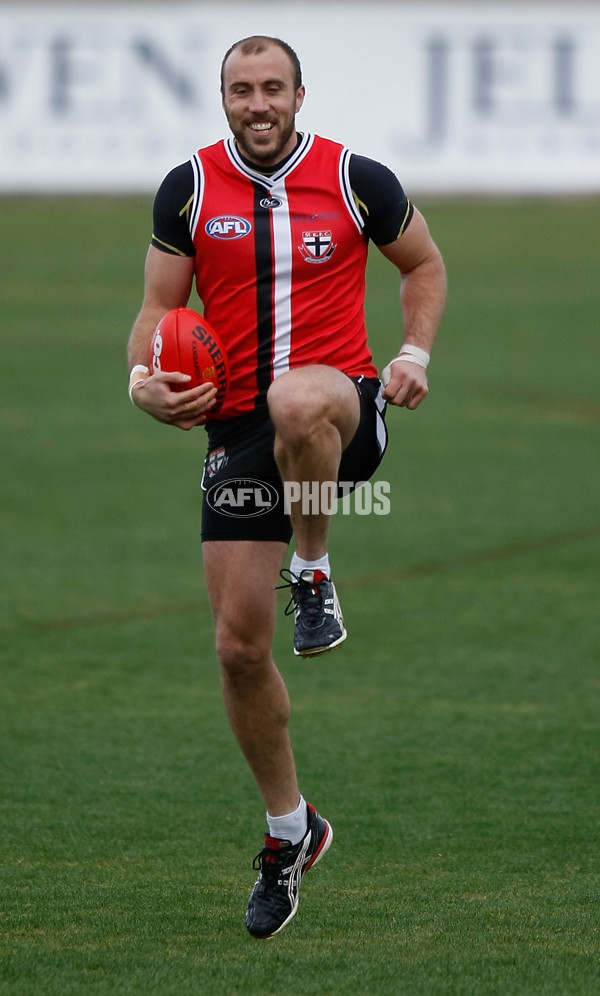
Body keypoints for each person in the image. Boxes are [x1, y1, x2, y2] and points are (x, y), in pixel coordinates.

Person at [127, 35, 446, 939]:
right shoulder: (188, 187)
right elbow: (157, 311)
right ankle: (290, 832)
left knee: (296, 393)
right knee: (235, 648)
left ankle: (315, 569)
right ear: (222, 98)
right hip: (236, 434)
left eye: (273, 88)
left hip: (340, 409)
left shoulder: (356, 178)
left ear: (300, 95)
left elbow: (423, 264)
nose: (257, 103)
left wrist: (413, 352)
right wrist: (142, 382)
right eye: (241, 90)